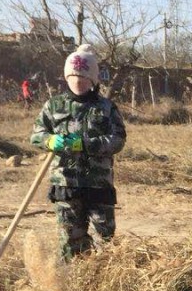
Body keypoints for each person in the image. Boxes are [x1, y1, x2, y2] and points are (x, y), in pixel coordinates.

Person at [29, 45, 126, 260]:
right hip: (66, 183)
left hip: (98, 184)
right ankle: (75, 280)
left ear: (93, 80)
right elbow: (36, 135)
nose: (78, 83)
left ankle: (106, 277)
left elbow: (118, 140)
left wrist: (84, 144)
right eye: (73, 79)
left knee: (107, 238)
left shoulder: (106, 108)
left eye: (83, 79)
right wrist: (50, 140)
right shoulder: (53, 106)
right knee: (71, 240)